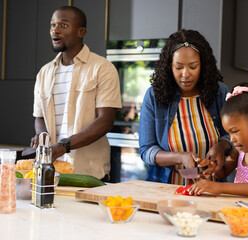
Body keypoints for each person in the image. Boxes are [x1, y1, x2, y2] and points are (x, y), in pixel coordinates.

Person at [31, 6, 121, 180]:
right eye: (52, 25)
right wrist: (42, 138)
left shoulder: (102, 68)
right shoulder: (44, 72)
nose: (55, 30)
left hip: (88, 175)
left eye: (63, 25)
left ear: (81, 32)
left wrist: (65, 145)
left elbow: (105, 121)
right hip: (50, 172)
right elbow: (39, 117)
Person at [139, 29, 233, 184]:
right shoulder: (154, 96)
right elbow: (146, 151)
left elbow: (232, 135)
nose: (185, 74)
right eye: (179, 67)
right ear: (169, 66)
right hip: (168, 190)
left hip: (212, 189)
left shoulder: (218, 92)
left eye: (193, 67)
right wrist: (180, 157)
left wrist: (221, 147)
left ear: (203, 65)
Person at [188, 82, 248, 197]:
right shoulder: (240, 152)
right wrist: (212, 167)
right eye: (229, 133)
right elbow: (223, 172)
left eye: (235, 131)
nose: (232, 139)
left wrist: (220, 187)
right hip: (239, 212)